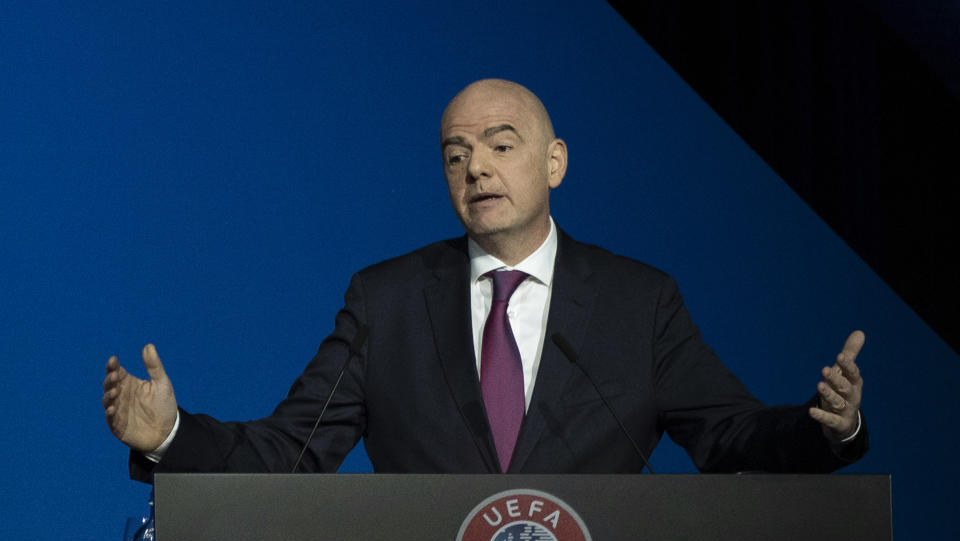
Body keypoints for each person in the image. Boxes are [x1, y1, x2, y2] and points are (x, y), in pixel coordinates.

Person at [103, 79, 866, 478]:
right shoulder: (387, 301)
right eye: (455, 153)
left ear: (555, 162)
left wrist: (821, 426)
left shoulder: (640, 300)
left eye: (501, 145)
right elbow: (292, 449)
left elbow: (725, 434)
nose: (477, 168)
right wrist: (170, 434)